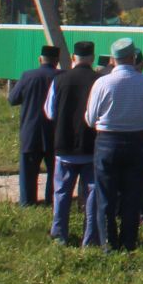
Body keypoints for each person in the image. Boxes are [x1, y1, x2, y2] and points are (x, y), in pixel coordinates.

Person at [86, 38, 143, 252]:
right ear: (133, 58)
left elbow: (91, 118)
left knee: (106, 195)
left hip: (107, 141)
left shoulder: (102, 83)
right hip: (137, 140)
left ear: (112, 59)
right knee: (132, 194)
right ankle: (129, 241)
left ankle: (108, 243)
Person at [46, 40, 102, 247]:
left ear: (72, 58)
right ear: (92, 58)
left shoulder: (60, 80)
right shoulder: (99, 81)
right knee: (91, 194)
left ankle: (60, 235)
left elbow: (50, 112)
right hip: (91, 146)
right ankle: (90, 238)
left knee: (61, 192)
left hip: (64, 145)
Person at [8, 46, 60, 206]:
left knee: (28, 173)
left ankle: (27, 202)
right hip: (54, 133)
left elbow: (13, 99)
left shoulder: (28, 76)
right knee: (55, 172)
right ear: (57, 61)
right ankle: (51, 202)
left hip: (31, 131)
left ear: (40, 59)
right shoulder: (61, 77)